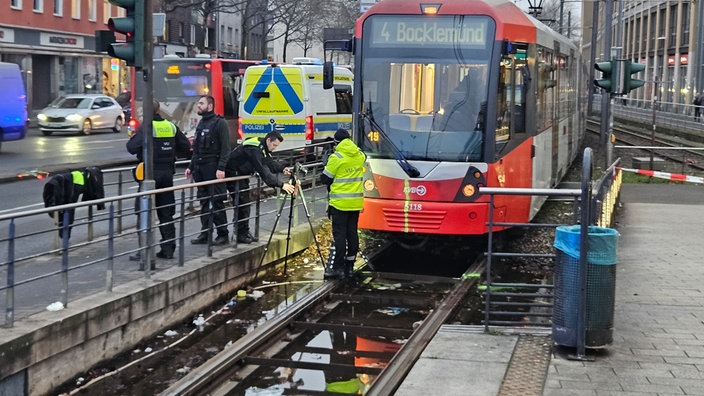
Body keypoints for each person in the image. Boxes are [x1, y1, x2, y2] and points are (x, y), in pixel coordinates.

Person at [126, 101, 191, 263]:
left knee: (143, 213)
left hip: (150, 175)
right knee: (166, 213)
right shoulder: (170, 126)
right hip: (167, 174)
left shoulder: (146, 128)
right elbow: (185, 145)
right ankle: (168, 249)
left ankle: (144, 251)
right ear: (159, 110)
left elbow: (131, 147)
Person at [225, 131, 296, 243]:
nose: (275, 148)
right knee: (242, 203)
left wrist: (282, 169)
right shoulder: (255, 150)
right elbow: (264, 172)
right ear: (268, 140)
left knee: (244, 204)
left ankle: (243, 231)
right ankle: (240, 234)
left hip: (240, 174)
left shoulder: (261, 145)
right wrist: (282, 184)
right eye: (274, 145)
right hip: (234, 175)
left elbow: (269, 162)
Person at [185, 95, 231, 245]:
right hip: (200, 168)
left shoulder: (220, 123)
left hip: (213, 168)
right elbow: (197, 149)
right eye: (198, 103)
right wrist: (190, 167)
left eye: (201, 103)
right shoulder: (201, 123)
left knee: (217, 201)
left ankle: (222, 234)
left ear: (210, 106)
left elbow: (225, 148)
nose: (198, 105)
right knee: (204, 201)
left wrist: (221, 167)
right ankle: (205, 233)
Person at [320, 129, 366, 279]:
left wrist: (326, 164)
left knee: (340, 236)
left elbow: (325, 179)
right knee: (352, 234)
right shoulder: (360, 155)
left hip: (340, 203)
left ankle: (338, 268)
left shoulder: (336, 157)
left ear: (336, 143)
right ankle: (350, 267)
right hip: (355, 202)